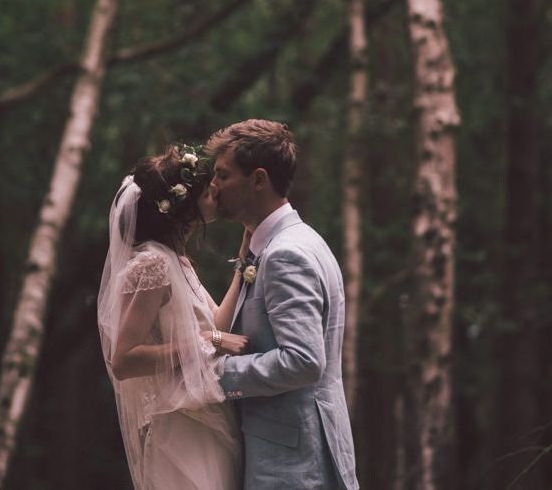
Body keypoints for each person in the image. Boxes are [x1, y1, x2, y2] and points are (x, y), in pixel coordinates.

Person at [205, 119, 360, 490]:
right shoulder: (284, 244)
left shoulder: (287, 254)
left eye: (223, 176)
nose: (213, 187)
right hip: (292, 453)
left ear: (258, 179)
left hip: (295, 463)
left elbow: (304, 361)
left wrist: (214, 375)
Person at [97, 144, 249, 490]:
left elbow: (219, 325)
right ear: (183, 207)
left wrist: (245, 258)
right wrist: (207, 342)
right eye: (209, 192)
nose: (217, 194)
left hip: (205, 414)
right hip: (180, 424)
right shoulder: (152, 264)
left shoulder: (177, 262)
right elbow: (124, 359)